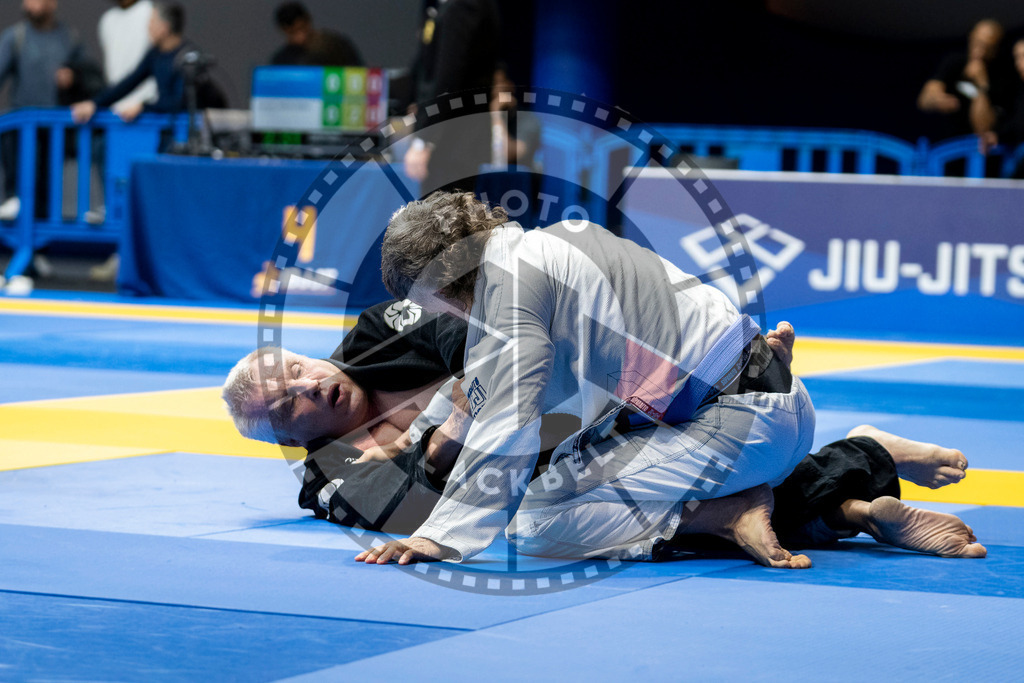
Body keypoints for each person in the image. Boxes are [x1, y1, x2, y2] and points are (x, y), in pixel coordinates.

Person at [222, 300, 984, 563]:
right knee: (540, 520)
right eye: (288, 405)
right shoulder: (330, 478)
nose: (306, 384)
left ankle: (736, 380)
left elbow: (497, 325)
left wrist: (457, 413)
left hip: (571, 397)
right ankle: (852, 479)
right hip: (546, 459)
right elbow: (427, 512)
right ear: (290, 437)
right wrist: (449, 431)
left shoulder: (378, 331)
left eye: (291, 368)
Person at [0, 0, 97, 223]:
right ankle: (14, 198)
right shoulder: (16, 37)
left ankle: (39, 245)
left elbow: (91, 74)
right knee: (23, 179)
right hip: (23, 126)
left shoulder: (69, 37)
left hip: (57, 127)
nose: (30, 5)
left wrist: (74, 76)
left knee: (46, 186)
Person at [403, 0, 501, 193]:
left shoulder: (464, 7)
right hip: (453, 142)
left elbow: (447, 79)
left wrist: (425, 140)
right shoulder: (443, 7)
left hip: (454, 142)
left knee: (444, 217)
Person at [71, 2, 189, 126]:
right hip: (165, 130)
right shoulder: (155, 55)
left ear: (164, 27)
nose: (148, 27)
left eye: (152, 22)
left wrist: (144, 107)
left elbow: (179, 101)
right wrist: (95, 103)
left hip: (184, 131)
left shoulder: (188, 57)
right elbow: (129, 82)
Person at [918, 19, 1010, 140]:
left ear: (996, 50)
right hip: (950, 144)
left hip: (979, 149)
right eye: (977, 43)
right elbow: (924, 100)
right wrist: (937, 99)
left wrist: (981, 84)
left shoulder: (1003, 76)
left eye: (987, 47)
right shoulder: (955, 62)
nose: (980, 52)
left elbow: (983, 129)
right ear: (970, 37)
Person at [974, 38, 1024, 177]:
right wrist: (998, 135)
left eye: (1023, 56)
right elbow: (1017, 123)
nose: (1019, 63)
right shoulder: (1018, 92)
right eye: (1017, 57)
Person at [270, 2, 363, 67]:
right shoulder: (281, 58)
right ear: (284, 30)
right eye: (292, 32)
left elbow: (356, 73)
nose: (300, 36)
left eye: (302, 28)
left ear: (308, 21)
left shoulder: (333, 45)